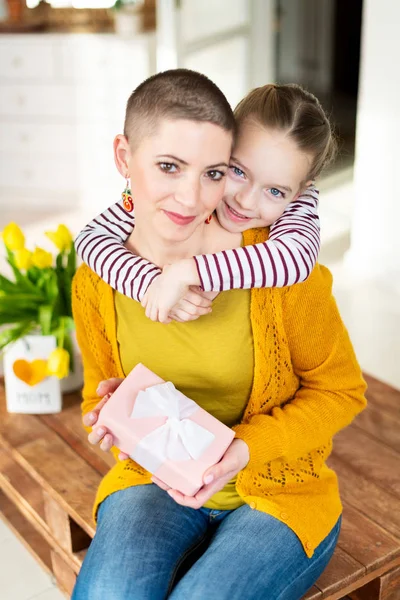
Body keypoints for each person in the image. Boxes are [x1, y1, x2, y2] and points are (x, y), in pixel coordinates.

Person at [71, 69, 367, 600]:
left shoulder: (284, 273)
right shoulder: (100, 273)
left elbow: (341, 391)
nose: (238, 199)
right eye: (232, 172)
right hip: (154, 479)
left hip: (277, 492)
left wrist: (242, 449)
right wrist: (114, 411)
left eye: (274, 189)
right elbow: (103, 386)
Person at [75, 92, 321, 324]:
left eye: (275, 192)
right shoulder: (190, 188)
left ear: (298, 192)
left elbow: (295, 257)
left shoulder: (299, 204)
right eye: (237, 171)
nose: (246, 202)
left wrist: (185, 273)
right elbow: (90, 238)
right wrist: (149, 283)